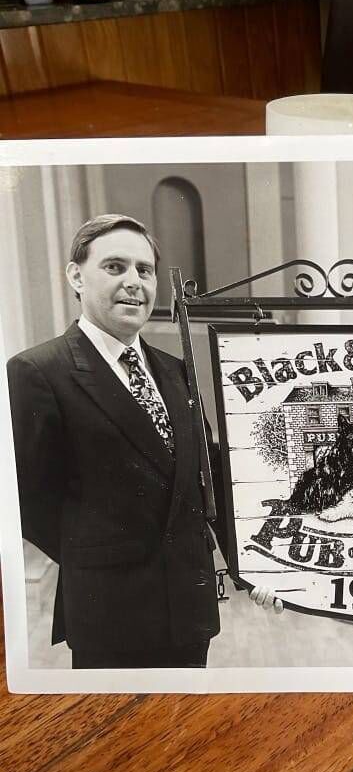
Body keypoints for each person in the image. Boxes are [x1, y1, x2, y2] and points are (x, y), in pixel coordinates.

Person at [7, 214, 227, 669]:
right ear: (75, 275)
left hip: (189, 610)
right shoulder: (38, 371)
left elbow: (207, 475)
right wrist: (102, 554)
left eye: (144, 270)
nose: (134, 283)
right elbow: (27, 500)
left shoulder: (176, 370)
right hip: (110, 613)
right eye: (115, 267)